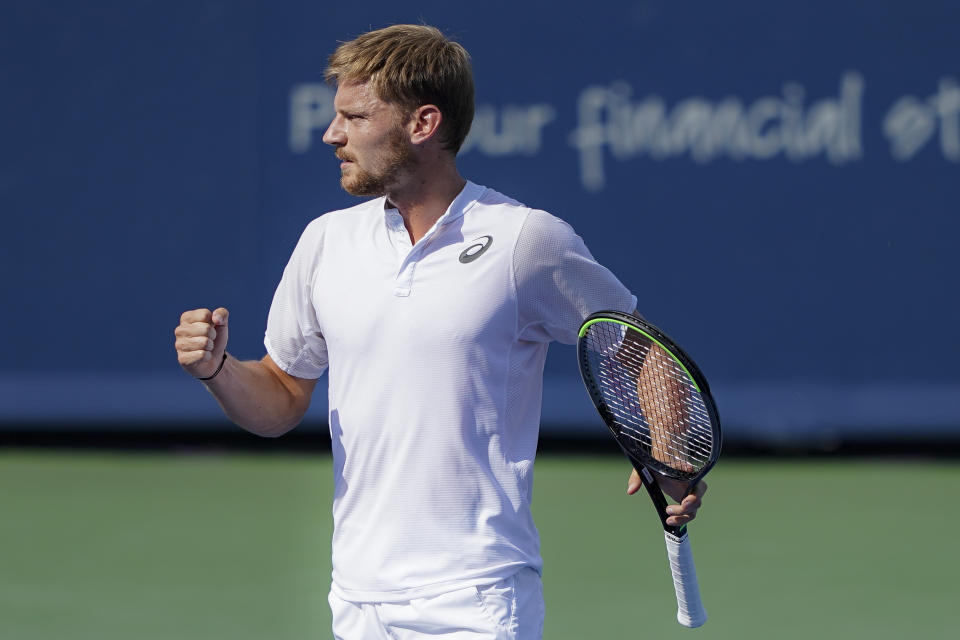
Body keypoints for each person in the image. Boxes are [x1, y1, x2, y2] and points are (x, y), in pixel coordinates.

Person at [174, 24, 706, 640]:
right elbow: (281, 397)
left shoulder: (524, 239)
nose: (332, 134)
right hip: (356, 596)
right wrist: (218, 369)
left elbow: (640, 350)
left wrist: (670, 446)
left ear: (423, 125)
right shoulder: (325, 241)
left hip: (475, 595)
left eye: (354, 116)